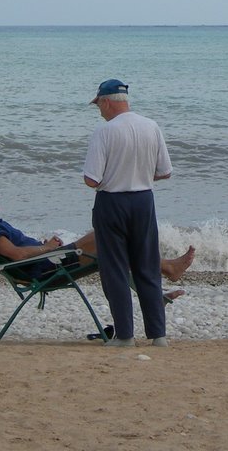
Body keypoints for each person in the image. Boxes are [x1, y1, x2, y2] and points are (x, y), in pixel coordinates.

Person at [0, 178, 194, 289]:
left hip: (46, 262)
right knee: (107, 237)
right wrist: (47, 248)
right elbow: (16, 256)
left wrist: (44, 247)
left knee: (111, 241)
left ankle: (158, 288)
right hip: (44, 268)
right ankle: (165, 271)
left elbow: (19, 252)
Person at [83, 78, 173, 347]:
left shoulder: (105, 131)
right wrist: (139, 175)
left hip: (113, 202)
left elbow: (91, 179)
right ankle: (158, 335)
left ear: (107, 102)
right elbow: (165, 171)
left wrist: (116, 176)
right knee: (147, 267)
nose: (99, 109)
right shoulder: (151, 126)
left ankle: (125, 335)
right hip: (144, 200)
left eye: (99, 104)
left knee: (115, 269)